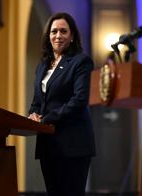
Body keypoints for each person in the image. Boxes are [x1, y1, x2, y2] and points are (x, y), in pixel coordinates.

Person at [28, 12, 95, 196]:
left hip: (73, 143)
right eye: (54, 31)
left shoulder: (81, 62)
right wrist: (33, 115)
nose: (58, 36)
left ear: (72, 36)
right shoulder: (42, 66)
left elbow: (79, 101)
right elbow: (36, 102)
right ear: (48, 36)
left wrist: (47, 119)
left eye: (63, 31)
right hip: (48, 144)